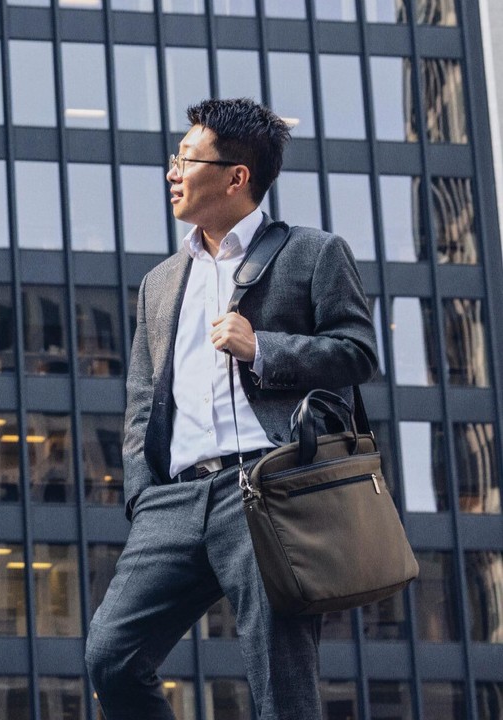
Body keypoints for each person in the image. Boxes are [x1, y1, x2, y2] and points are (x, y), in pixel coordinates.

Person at [86, 98, 378, 719]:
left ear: (235, 176)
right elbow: (143, 398)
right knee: (111, 656)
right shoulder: (161, 281)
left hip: (266, 487)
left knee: (281, 683)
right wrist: (142, 493)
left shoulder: (312, 253)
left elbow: (357, 353)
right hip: (172, 501)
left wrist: (262, 347)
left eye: (185, 159)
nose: (171, 172)